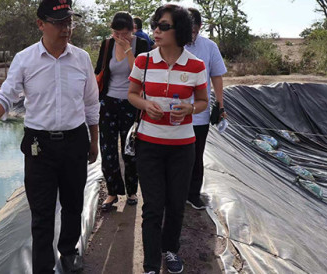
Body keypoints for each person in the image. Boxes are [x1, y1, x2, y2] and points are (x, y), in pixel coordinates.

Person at [0, 0, 100, 273]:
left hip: (75, 141)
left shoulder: (82, 58)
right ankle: (42, 266)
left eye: (69, 22)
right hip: (40, 146)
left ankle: (69, 253)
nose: (66, 29)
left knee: (74, 203)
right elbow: (6, 94)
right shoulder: (25, 59)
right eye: (59, 23)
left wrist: (94, 141)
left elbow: (91, 104)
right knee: (42, 211)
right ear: (41, 24)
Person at [127, 4, 209, 274]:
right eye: (155, 25)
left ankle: (170, 250)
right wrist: (145, 104)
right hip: (149, 144)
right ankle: (151, 264)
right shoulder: (144, 61)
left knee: (175, 204)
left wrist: (190, 109)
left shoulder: (196, 65)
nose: (156, 31)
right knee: (152, 206)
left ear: (180, 30)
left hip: (183, 146)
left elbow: (202, 101)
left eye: (164, 26)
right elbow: (132, 93)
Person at [95, 12, 148, 212]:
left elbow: (140, 74)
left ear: (132, 30)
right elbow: (98, 71)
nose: (120, 37)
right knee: (107, 148)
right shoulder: (107, 44)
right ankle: (112, 192)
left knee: (130, 148)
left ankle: (132, 191)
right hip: (108, 101)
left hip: (131, 102)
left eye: (124, 33)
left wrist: (127, 50)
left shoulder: (141, 45)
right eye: (116, 33)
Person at [185, 7, 228, 210]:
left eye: (194, 29)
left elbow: (217, 77)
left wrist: (220, 106)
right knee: (175, 155)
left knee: (196, 155)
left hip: (199, 114)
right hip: (175, 113)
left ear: (200, 27)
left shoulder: (209, 47)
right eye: (187, 28)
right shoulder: (173, 44)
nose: (190, 33)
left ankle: (193, 194)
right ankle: (174, 193)